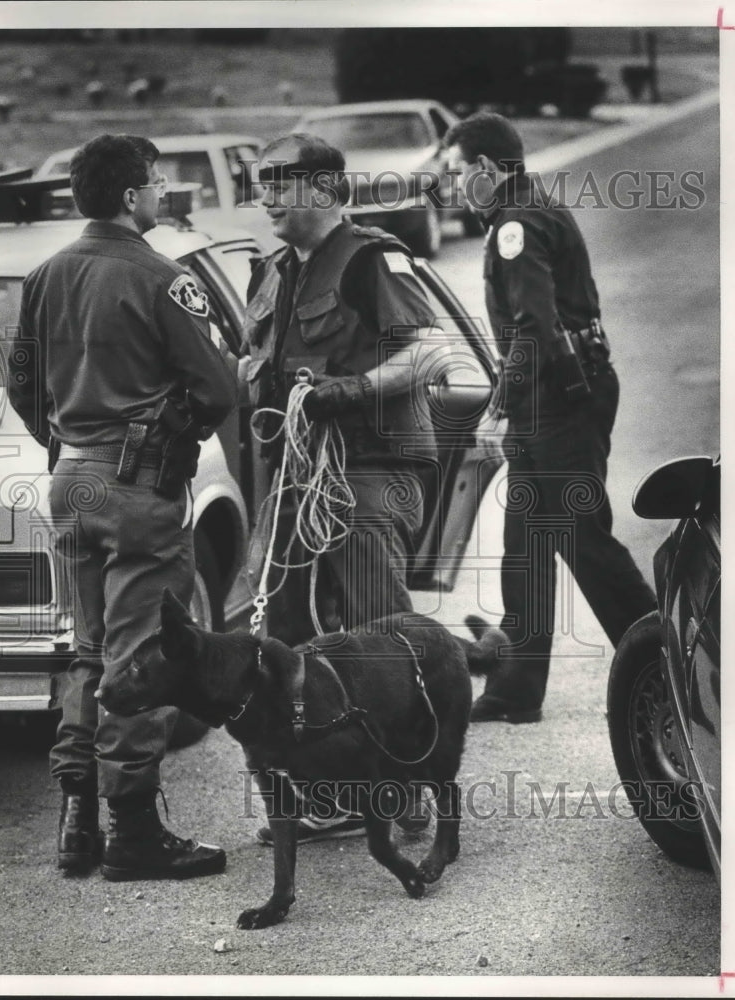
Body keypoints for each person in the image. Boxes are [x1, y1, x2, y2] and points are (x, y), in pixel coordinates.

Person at [8, 134, 237, 879]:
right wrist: (167, 433)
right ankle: (135, 833)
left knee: (89, 649)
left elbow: (21, 383)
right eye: (158, 181)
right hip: (137, 491)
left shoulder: (43, 277)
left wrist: (68, 440)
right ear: (134, 194)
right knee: (138, 660)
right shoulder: (161, 277)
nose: (164, 189)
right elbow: (217, 389)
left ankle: (78, 822)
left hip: (71, 479)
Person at [243, 133, 443, 841]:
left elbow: (429, 351)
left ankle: (407, 790)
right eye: (259, 180)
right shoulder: (269, 271)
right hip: (295, 481)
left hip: (366, 471)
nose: (263, 192)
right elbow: (252, 362)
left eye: (278, 179)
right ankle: (326, 793)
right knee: (284, 640)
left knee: (379, 637)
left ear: (324, 190)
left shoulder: (370, 257)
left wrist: (353, 389)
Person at [444, 112, 657, 724]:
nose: (457, 186)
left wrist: (498, 409)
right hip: (554, 394)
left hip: (561, 397)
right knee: (527, 545)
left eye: (460, 174)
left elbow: (533, 329)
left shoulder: (516, 225)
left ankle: (662, 663)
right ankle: (515, 689)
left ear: (486, 169)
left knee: (581, 538)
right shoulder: (524, 211)